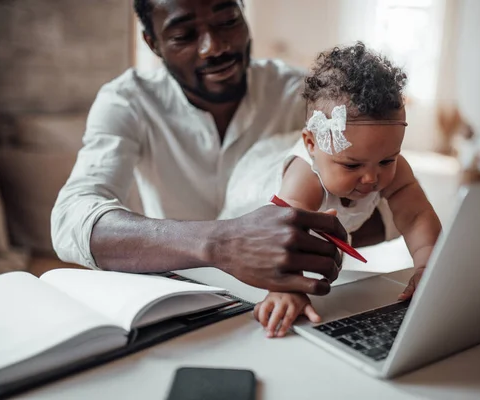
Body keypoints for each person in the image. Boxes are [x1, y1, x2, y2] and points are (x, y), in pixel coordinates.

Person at [51, 0, 418, 298]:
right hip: (176, 299)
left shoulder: (304, 95)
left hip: (294, 294)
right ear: (153, 43)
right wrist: (223, 243)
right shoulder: (127, 102)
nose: (215, 47)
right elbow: (72, 218)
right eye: (184, 35)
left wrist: (319, 228)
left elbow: (387, 201)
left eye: (227, 20)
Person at [220, 43, 441, 338]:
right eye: (352, 166)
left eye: (387, 160)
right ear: (312, 145)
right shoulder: (305, 178)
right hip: (253, 199)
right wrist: (286, 288)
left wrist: (427, 266)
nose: (371, 178)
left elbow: (415, 216)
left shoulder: (389, 166)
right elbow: (281, 234)